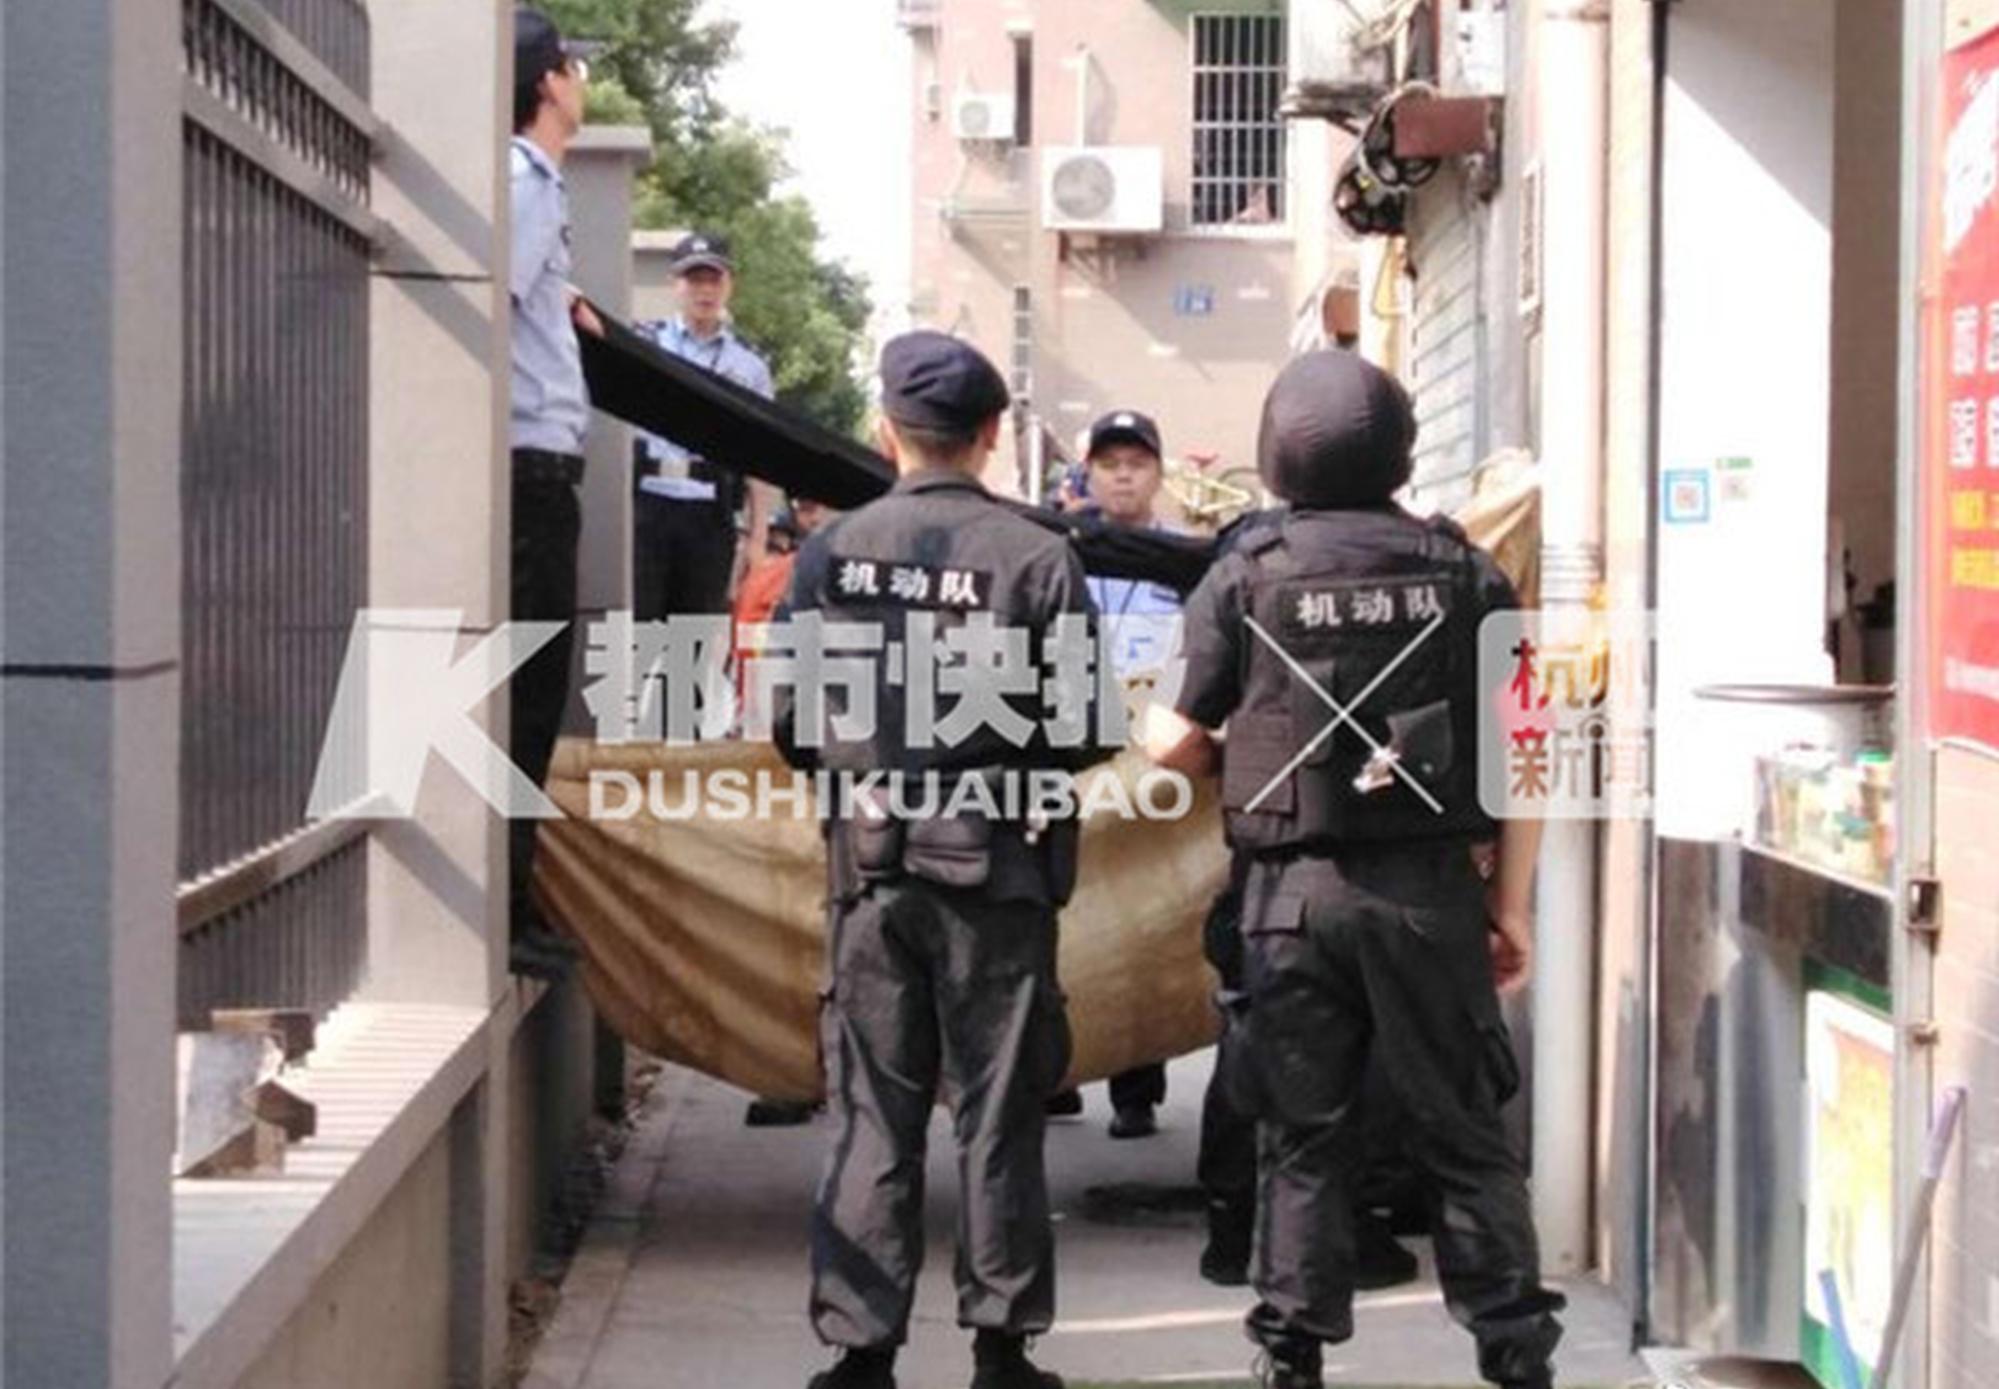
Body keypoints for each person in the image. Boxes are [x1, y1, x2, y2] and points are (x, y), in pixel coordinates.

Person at [1143, 350, 1564, 1389]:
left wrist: (1239, 759)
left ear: (1276, 450)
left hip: (1288, 901)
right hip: (1428, 896)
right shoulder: (1466, 571)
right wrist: (1508, 906)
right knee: (1464, 1132)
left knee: (1302, 1135)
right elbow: (1527, 744)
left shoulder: (1243, 571)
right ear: (1400, 450)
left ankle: (1290, 1356)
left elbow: (1164, 739)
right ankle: (1516, 1356)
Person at [773, 332, 1109, 1389]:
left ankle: (859, 1354)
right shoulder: (1037, 556)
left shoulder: (830, 553)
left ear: (886, 430)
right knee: (1000, 1111)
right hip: (999, 874)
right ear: (991, 434)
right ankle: (1002, 1350)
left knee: (874, 1109)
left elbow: (790, 722)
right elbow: (1085, 725)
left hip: (870, 874)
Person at [1044, 410, 1180, 1140]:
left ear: (1158, 474)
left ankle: (1136, 1088)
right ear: (1088, 474)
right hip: (1074, 754)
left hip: (1154, 761)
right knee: (1063, 919)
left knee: (1145, 920)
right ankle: (1057, 1073)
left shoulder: (1187, 560)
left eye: (1137, 463)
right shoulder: (1060, 554)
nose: (1123, 476)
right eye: (1109, 464)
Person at [508, 5, 602, 980]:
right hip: (527, 470)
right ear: (546, 83)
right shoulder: (524, 178)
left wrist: (563, 296)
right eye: (572, 66)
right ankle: (506, 903)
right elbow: (486, 296)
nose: (581, 81)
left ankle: (512, 895)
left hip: (539, 468)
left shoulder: (536, 187)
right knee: (531, 694)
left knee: (536, 689)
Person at [632, 232, 777, 621]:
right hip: (648, 503)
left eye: (714, 279)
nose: (705, 290)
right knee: (642, 634)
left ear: (730, 285)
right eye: (694, 279)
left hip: (710, 509)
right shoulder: (645, 346)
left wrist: (758, 537)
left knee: (692, 636)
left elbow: (762, 457)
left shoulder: (749, 366)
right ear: (674, 284)